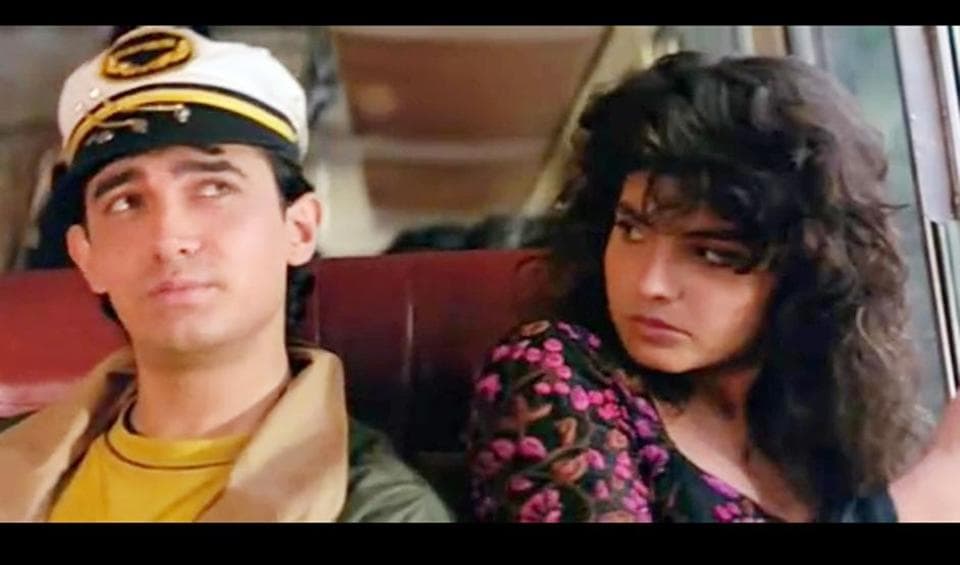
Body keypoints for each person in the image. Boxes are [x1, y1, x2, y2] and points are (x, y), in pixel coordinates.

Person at [467, 51, 960, 522]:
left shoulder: (830, 440)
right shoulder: (556, 366)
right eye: (632, 230)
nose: (651, 283)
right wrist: (923, 497)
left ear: (804, 273)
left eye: (712, 254)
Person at [0, 25, 450, 523]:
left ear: (299, 228)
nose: (169, 237)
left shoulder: (376, 508)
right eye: (127, 202)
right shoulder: (15, 460)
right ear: (86, 257)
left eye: (214, 189)